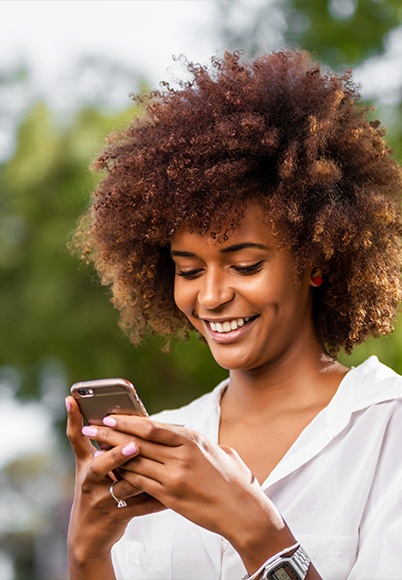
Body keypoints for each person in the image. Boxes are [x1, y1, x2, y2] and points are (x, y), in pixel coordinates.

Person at [65, 49, 402, 580]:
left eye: (245, 265)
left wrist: (258, 534)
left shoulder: (388, 428)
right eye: (190, 270)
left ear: (315, 260)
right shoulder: (164, 443)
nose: (212, 297)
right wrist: (88, 549)